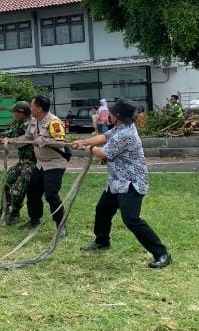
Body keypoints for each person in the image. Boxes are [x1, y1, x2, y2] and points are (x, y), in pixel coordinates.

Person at [72, 98, 171, 269]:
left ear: (117, 116)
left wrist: (87, 149)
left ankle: (161, 253)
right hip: (118, 181)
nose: (108, 115)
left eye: (111, 113)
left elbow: (104, 153)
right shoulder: (122, 127)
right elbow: (103, 137)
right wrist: (83, 142)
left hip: (131, 182)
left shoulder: (126, 134)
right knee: (103, 209)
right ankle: (102, 241)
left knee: (131, 219)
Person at [17, 95, 68, 230]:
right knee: (32, 191)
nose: (30, 108)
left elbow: (61, 143)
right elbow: (26, 137)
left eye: (32, 105)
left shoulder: (54, 122)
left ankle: (61, 225)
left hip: (55, 164)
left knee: (51, 194)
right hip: (40, 164)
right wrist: (9, 142)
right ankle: (34, 219)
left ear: (39, 108)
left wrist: (44, 140)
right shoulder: (34, 121)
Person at [0, 101, 36, 225]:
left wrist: (6, 139)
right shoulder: (19, 123)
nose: (13, 114)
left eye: (15, 112)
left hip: (31, 163)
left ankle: (15, 213)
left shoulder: (30, 124)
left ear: (21, 113)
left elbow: (14, 135)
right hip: (22, 162)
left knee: (17, 189)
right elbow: (8, 132)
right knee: (6, 182)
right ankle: (4, 209)